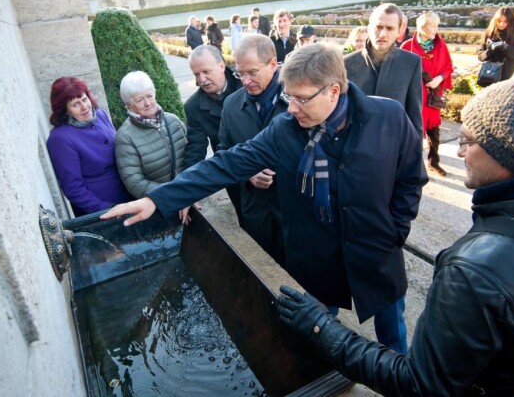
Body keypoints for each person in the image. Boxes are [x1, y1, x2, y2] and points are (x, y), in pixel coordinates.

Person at [101, 43, 428, 355]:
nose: (292, 107)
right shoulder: (285, 130)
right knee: (317, 335)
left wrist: (395, 230)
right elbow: (225, 164)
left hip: (378, 252)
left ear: (332, 90)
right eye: (289, 97)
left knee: (393, 338)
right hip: (319, 258)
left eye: (301, 99)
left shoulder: (389, 117)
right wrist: (157, 200)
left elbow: (411, 178)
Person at [277, 78, 514, 396]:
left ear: (511, 153)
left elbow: (419, 385)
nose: (458, 152)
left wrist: (321, 328)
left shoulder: (477, 271)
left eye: (468, 141)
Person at [214, 34, 288, 265]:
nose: (245, 81)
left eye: (252, 72)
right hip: (257, 212)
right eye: (240, 73)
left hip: (295, 212)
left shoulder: (298, 98)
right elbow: (223, 153)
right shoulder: (231, 105)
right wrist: (247, 174)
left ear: (273, 64)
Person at [46, 77, 133, 216]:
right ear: (64, 110)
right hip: (106, 211)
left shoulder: (100, 114)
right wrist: (105, 209)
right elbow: (73, 188)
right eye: (75, 104)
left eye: (84, 99)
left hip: (132, 195)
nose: (84, 107)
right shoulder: (60, 139)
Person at [185, 45, 245, 226]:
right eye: (196, 74)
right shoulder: (193, 106)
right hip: (234, 175)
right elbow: (195, 149)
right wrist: (187, 190)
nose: (201, 79)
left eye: (206, 71)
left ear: (221, 66)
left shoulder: (247, 82)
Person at [344, 3, 423, 138]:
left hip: (394, 146)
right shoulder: (347, 63)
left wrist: (415, 156)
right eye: (378, 27)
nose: (382, 34)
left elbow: (414, 116)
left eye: (390, 28)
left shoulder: (411, 63)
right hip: (355, 146)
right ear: (369, 28)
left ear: (399, 31)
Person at [114, 71, 187, 203]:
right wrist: (174, 194)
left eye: (150, 96)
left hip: (192, 192)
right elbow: (135, 183)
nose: (147, 103)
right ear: (128, 105)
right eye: (140, 100)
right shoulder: (125, 137)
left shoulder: (173, 120)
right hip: (165, 202)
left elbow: (193, 154)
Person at [401, 11, 453, 177]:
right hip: (415, 96)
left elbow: (448, 66)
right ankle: (413, 165)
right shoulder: (407, 46)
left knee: (434, 131)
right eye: (432, 26)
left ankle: (434, 162)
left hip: (433, 95)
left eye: (437, 25)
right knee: (414, 131)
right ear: (422, 27)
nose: (436, 29)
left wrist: (439, 78)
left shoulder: (441, 45)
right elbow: (399, 72)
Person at [477, 7, 514, 82]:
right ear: (495, 20)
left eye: (505, 21)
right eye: (499, 21)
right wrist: (489, 51)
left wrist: (505, 48)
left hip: (508, 74)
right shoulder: (488, 32)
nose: (502, 24)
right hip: (490, 74)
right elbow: (480, 57)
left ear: (510, 21)